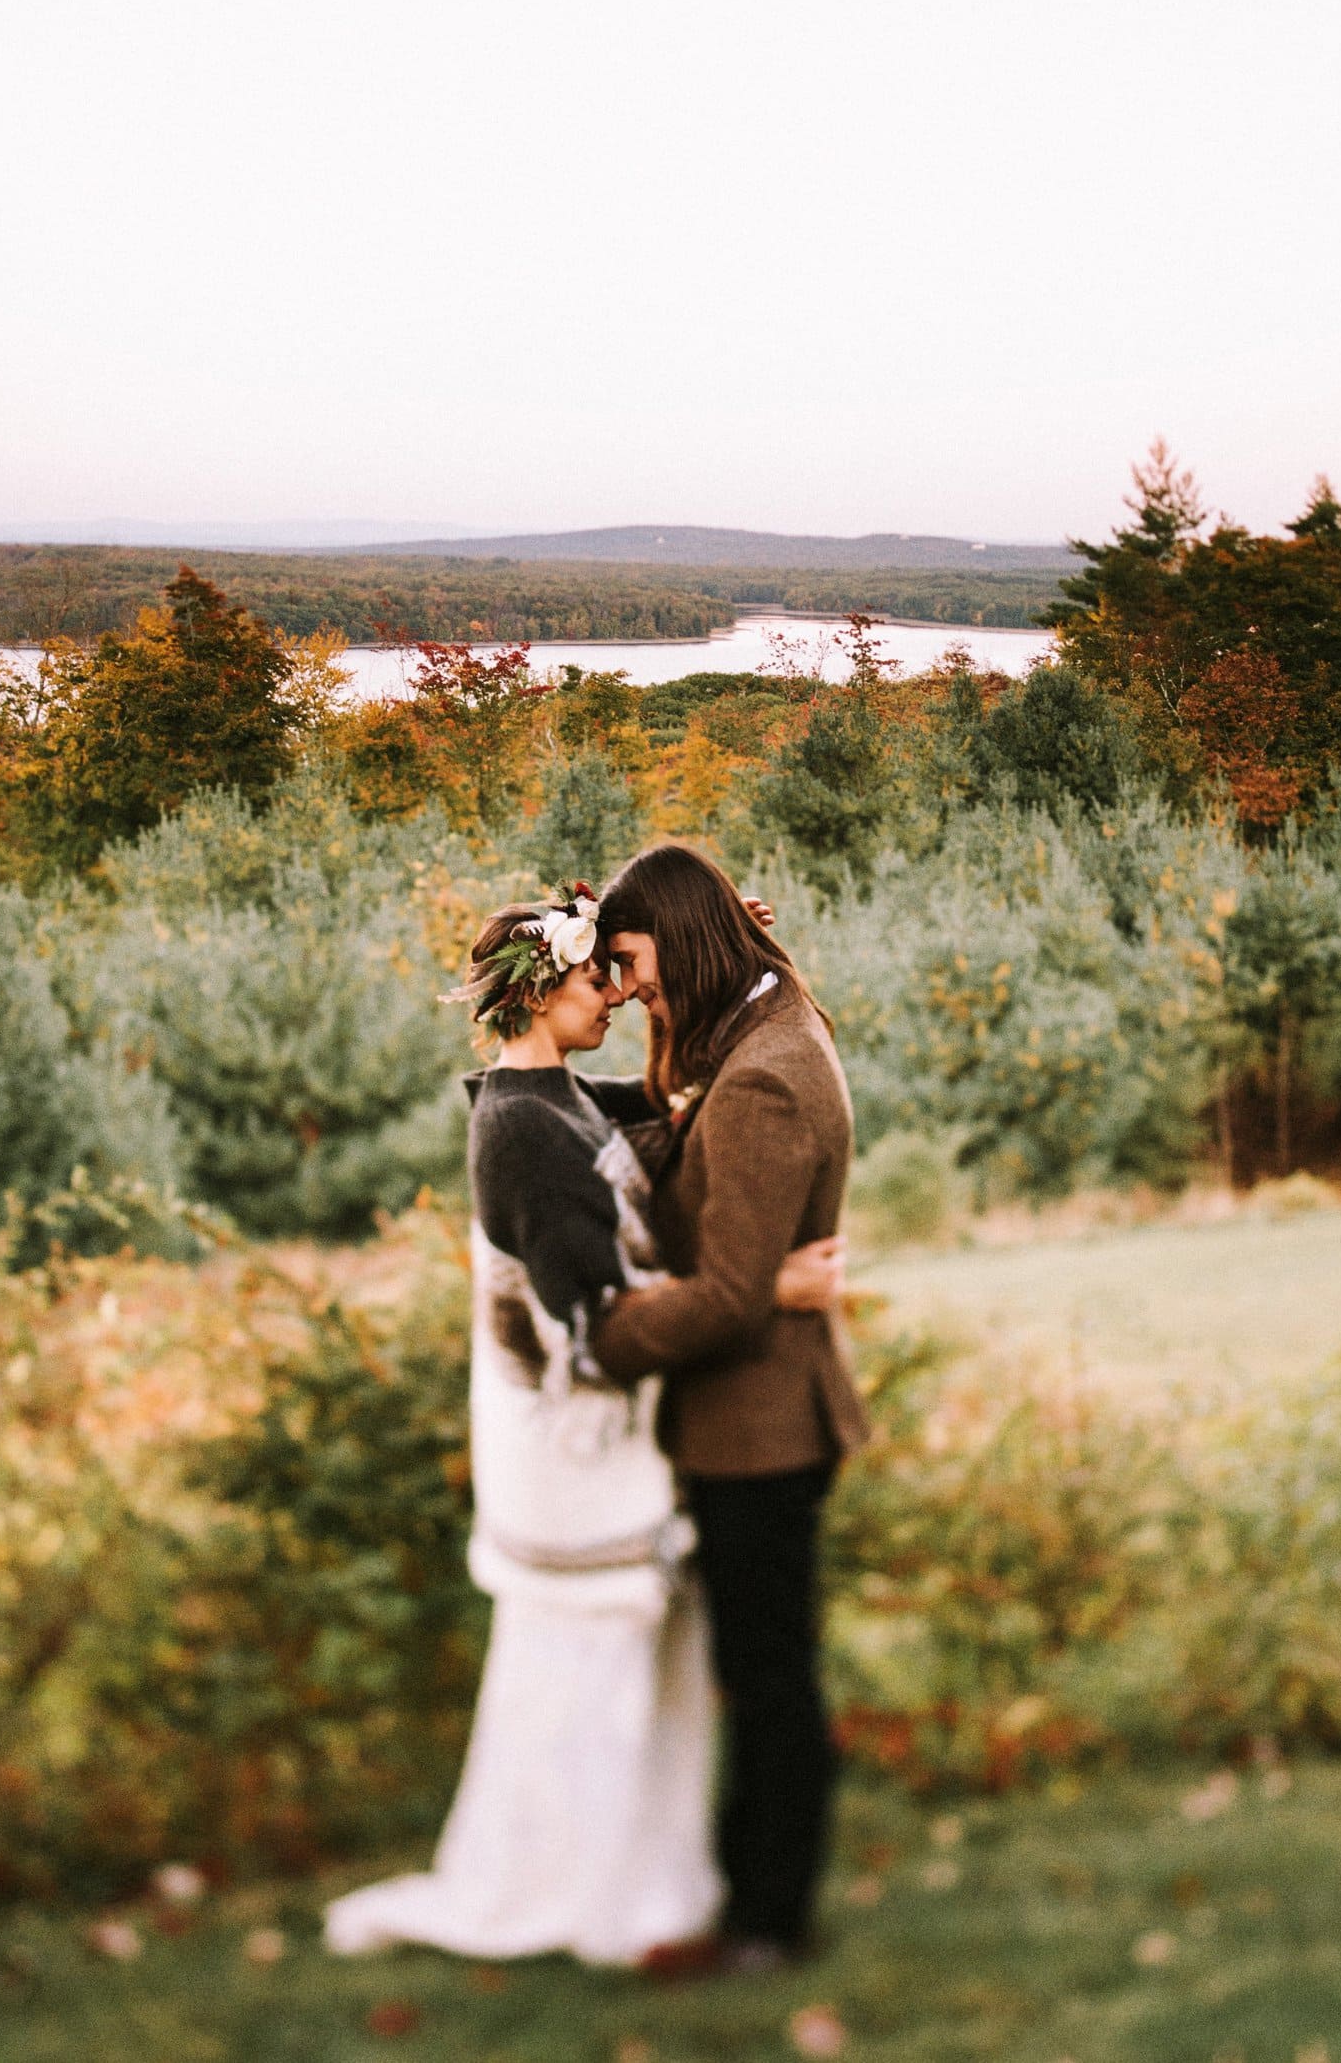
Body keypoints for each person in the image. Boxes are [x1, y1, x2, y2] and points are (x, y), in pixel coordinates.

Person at [323, 882, 843, 1969]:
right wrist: (766, 1292)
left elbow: (680, 1112)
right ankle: (573, 1883)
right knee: (582, 1705)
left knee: (622, 1696)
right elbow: (597, 1330)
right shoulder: (520, 1133)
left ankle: (641, 1876)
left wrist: (713, 941)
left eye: (614, 970)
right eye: (590, 976)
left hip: (611, 1465)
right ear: (539, 992)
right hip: (572, 1471)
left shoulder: (558, 1095)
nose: (610, 992)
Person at [591, 843, 867, 1972]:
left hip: (761, 1423)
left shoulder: (762, 1072)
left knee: (766, 1677)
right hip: (755, 1415)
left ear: (683, 935)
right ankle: (748, 1891)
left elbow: (724, 1296)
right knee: (758, 1667)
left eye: (631, 958)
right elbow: (673, 1117)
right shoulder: (753, 1023)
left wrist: (599, 1330)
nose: (626, 985)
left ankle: (769, 1918)